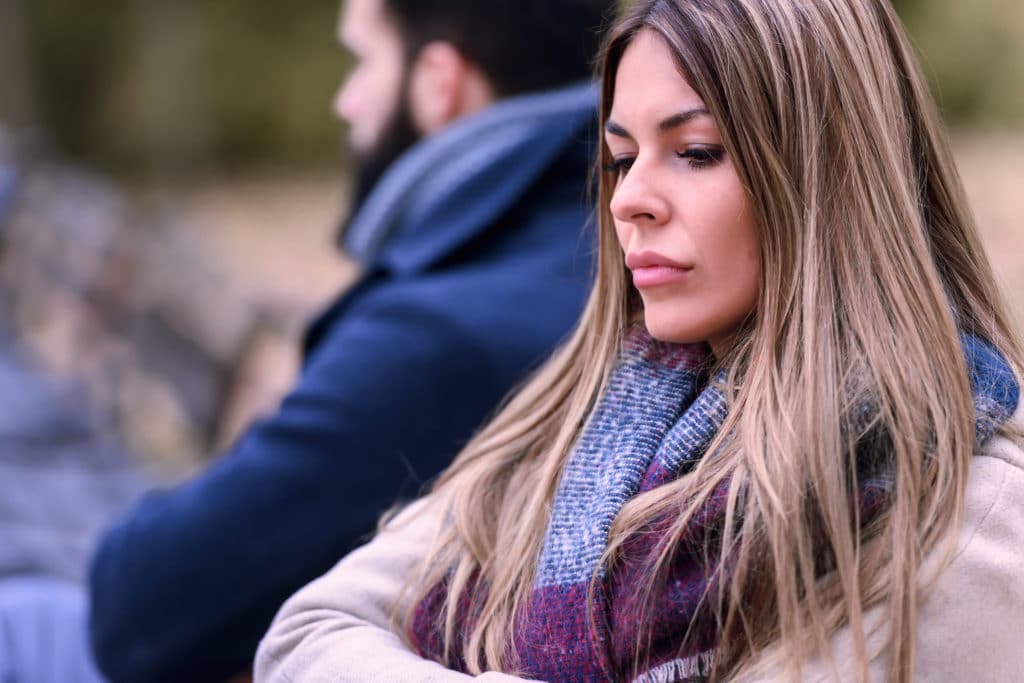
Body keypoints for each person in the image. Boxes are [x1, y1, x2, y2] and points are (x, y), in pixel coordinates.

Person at [254, 0, 1024, 682]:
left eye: (695, 152)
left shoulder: (968, 514)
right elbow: (307, 635)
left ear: (827, 175)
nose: (631, 200)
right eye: (621, 158)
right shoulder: (575, 421)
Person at [83, 1, 613, 681]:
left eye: (363, 60)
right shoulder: (584, 246)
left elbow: (135, 611)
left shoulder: (437, 334)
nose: (345, 101)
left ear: (438, 82)